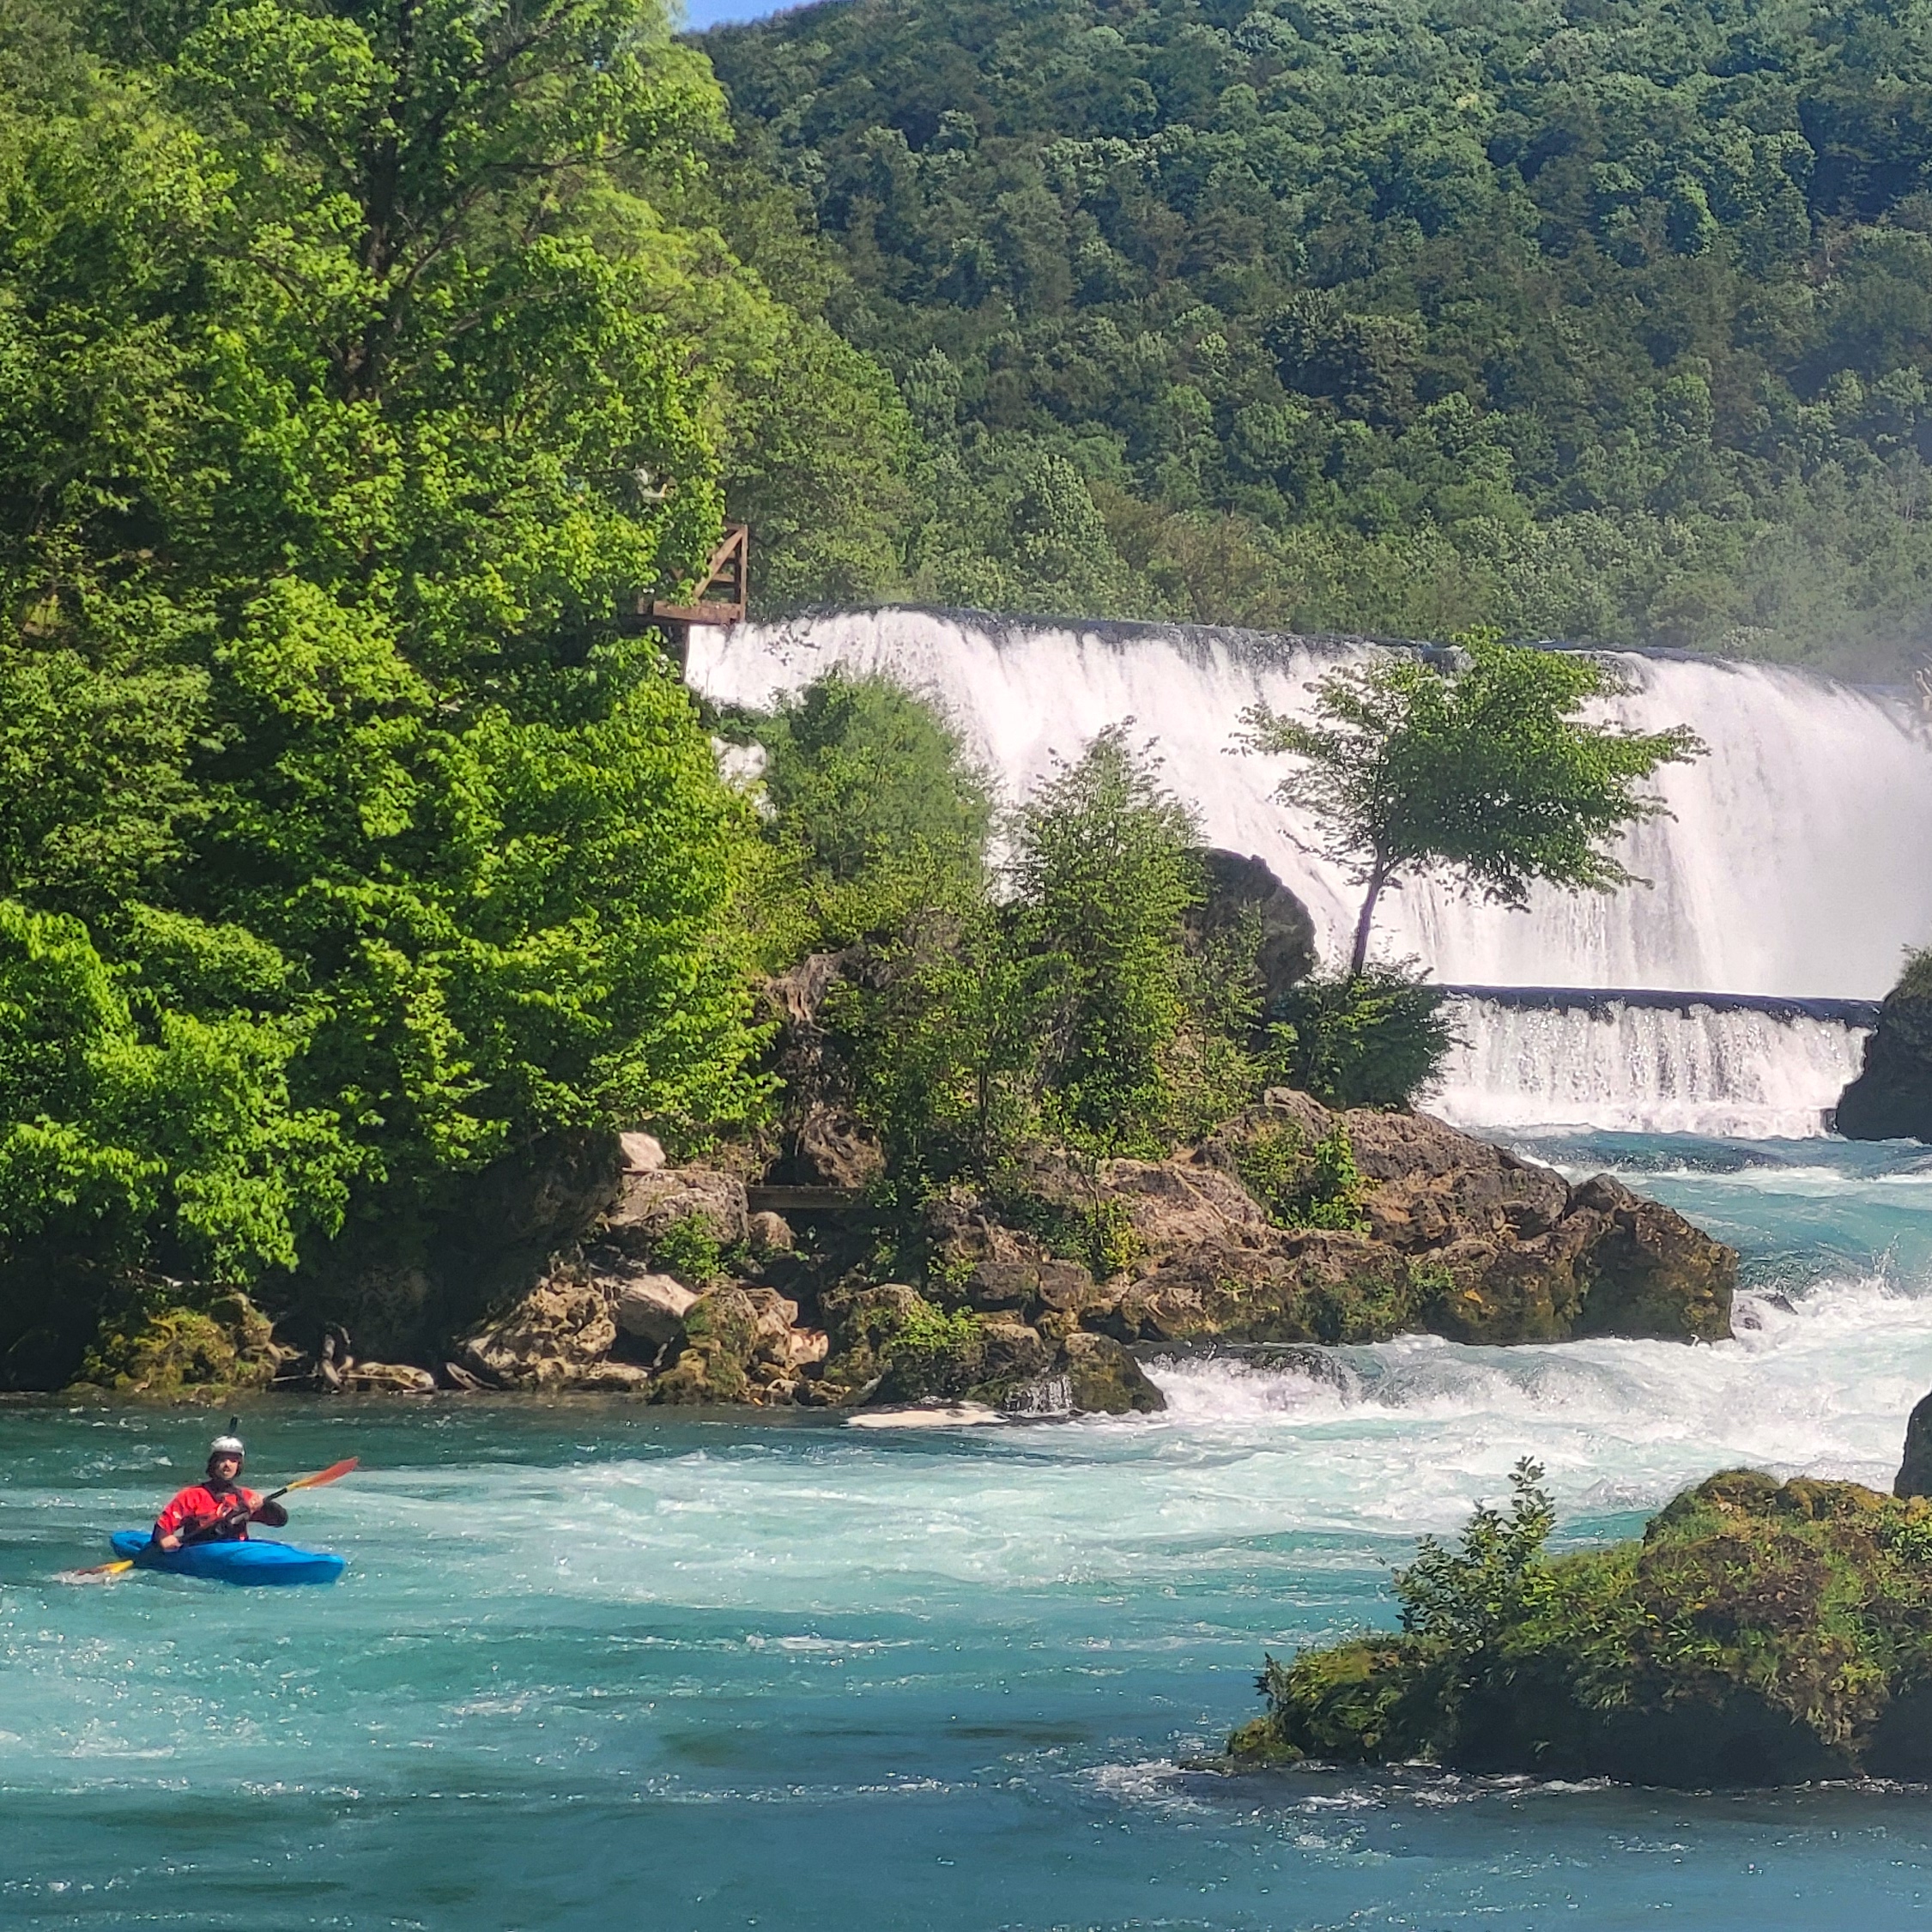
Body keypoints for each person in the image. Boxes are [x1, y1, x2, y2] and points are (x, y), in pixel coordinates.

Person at [152, 1432, 289, 1551]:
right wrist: (164, 1540)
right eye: (222, 1459)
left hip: (237, 1551)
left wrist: (265, 1504)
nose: (227, 1465)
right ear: (213, 1463)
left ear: (238, 1466)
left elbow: (280, 1521)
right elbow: (162, 1529)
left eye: (233, 1460)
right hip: (201, 1552)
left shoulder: (246, 1496)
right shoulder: (192, 1496)